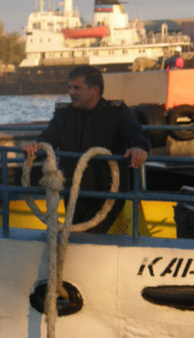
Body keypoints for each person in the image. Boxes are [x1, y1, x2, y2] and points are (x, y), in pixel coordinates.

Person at [22, 65, 150, 233]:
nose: (71, 93)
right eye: (70, 87)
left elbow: (136, 134)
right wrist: (35, 145)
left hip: (108, 192)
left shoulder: (117, 112)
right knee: (76, 233)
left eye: (77, 88)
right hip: (74, 191)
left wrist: (138, 148)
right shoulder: (64, 114)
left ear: (95, 90)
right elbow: (49, 137)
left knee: (86, 234)